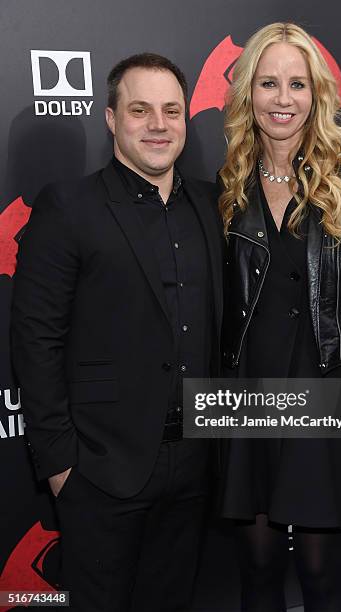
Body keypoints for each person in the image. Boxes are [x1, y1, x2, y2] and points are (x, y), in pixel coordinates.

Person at [218, 22, 341, 612]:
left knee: (320, 572)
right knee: (254, 569)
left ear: (317, 94)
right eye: (268, 83)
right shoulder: (228, 185)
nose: (283, 99)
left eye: (297, 84)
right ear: (247, 94)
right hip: (248, 398)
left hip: (331, 395)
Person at [11, 52, 223, 611]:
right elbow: (36, 340)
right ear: (111, 119)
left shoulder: (211, 203)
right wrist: (61, 466)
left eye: (171, 111)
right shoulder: (68, 207)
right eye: (140, 110)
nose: (158, 124)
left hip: (198, 466)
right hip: (103, 469)